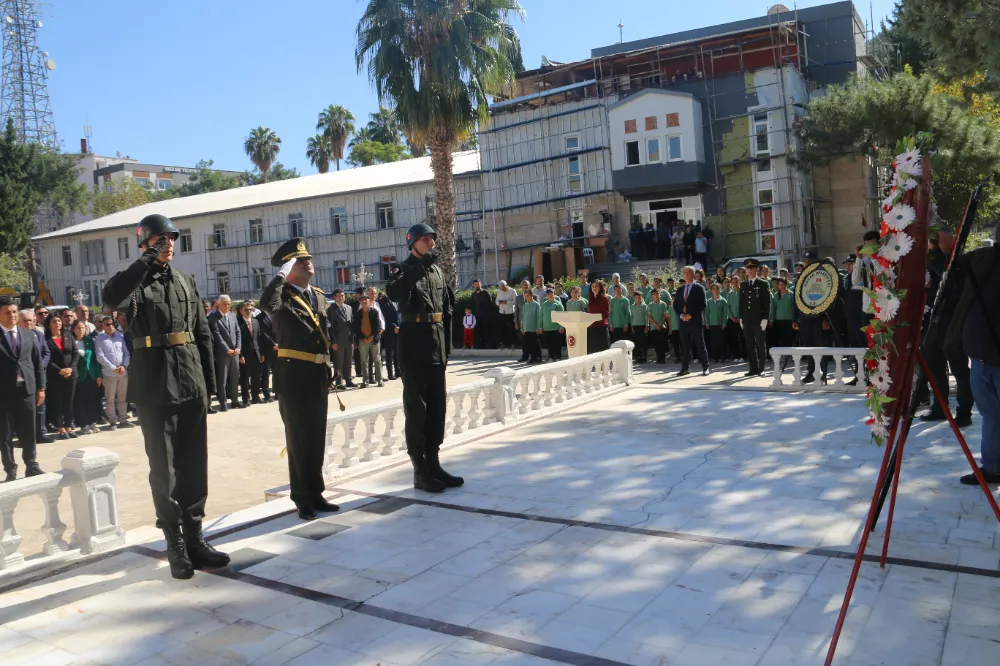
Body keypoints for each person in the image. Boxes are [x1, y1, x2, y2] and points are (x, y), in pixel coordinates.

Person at [103, 213, 229, 579]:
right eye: (161, 238)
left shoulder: (186, 281)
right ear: (145, 242)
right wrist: (146, 259)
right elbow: (110, 298)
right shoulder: (135, 283)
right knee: (164, 469)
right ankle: (173, 541)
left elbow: (202, 334)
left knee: (194, 465)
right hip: (154, 386)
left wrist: (210, 386)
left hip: (190, 382)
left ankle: (195, 537)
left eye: (171, 238)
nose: (169, 243)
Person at [260, 236, 340, 519]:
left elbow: (326, 334)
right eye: (300, 260)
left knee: (316, 438)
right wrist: (281, 275)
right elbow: (265, 303)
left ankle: (316, 492)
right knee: (298, 439)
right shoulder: (282, 296)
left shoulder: (317, 295)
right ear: (289, 267)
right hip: (293, 376)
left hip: (317, 374)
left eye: (307, 258)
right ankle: (302, 498)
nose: (309, 262)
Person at [386, 223, 462, 494]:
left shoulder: (437, 271)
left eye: (432, 237)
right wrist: (418, 267)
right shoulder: (402, 268)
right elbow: (395, 295)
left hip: (436, 347)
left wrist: (447, 347)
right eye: (426, 238)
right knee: (417, 412)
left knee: (437, 410)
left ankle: (434, 464)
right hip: (414, 348)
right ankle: (420, 471)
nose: (432, 241)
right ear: (413, 242)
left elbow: (447, 309)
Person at [944, 225, 1000, 484]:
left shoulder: (981, 259)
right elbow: (950, 265)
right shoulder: (982, 259)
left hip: (988, 357)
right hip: (979, 356)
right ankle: (992, 467)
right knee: (991, 416)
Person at [1, 296, 45, 481]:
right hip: (3, 392)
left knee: (29, 430)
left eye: (14, 312)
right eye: (7, 312)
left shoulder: (27, 333)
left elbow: (37, 362)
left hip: (27, 389)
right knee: (5, 432)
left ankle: (31, 464)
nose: (12, 315)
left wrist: (41, 387)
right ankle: (10, 468)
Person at [18, 309, 53, 444]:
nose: (28, 323)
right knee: (23, 410)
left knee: (40, 407)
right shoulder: (15, 337)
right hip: (22, 378)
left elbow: (46, 352)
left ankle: (41, 433)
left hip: (38, 376)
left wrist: (41, 365)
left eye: (31, 321)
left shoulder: (38, 335)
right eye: (25, 321)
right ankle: (24, 437)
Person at [45, 313, 78, 440]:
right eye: (54, 321)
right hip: (55, 375)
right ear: (49, 325)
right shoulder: (46, 340)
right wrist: (59, 370)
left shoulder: (68, 335)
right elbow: (47, 359)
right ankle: (60, 428)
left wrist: (71, 368)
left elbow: (75, 353)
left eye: (59, 321)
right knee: (57, 402)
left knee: (69, 402)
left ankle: (69, 426)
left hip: (71, 374)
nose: (57, 323)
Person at [95, 315, 131, 430]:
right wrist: (112, 368)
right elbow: (100, 356)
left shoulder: (120, 337)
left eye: (112, 324)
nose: (110, 326)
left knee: (123, 397)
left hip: (122, 372)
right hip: (109, 374)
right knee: (110, 399)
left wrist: (124, 366)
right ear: (103, 326)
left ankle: (123, 419)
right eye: (107, 324)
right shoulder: (99, 339)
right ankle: (113, 421)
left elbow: (126, 353)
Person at [672, 266, 710, 376]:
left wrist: (691, 315)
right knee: (685, 345)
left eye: (688, 273)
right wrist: (681, 315)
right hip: (683, 322)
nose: (686, 275)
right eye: (684, 273)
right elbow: (675, 305)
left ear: (693, 275)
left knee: (700, 344)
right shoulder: (680, 289)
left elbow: (702, 304)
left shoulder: (699, 288)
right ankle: (685, 368)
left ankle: (705, 367)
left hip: (695, 321)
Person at [208, 295, 242, 411]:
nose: (227, 306)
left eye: (229, 304)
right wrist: (227, 349)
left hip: (235, 353)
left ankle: (235, 400)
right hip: (223, 353)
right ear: (218, 304)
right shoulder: (214, 318)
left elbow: (238, 332)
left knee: (234, 377)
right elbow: (217, 335)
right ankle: (223, 402)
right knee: (222, 379)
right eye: (225, 304)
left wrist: (238, 347)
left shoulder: (232, 316)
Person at [740, 259, 771, 377]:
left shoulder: (763, 284)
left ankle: (761, 368)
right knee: (749, 343)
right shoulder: (743, 284)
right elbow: (741, 302)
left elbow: (767, 303)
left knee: (760, 343)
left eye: (752, 268)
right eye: (748, 269)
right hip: (747, 319)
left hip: (759, 319)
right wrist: (741, 317)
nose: (750, 271)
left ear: (756, 270)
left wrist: (765, 318)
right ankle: (753, 368)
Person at [71, 320, 102, 435]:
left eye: (83, 328)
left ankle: (92, 422)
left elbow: (95, 359)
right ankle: (84, 425)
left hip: (91, 374)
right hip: (79, 376)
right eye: (78, 328)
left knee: (92, 400)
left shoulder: (89, 341)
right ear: (73, 329)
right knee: (80, 401)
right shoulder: (71, 342)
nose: (81, 330)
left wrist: (99, 375)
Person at [353, 293, 384, 388]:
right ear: (360, 301)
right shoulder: (358, 313)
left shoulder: (374, 311)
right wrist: (363, 338)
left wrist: (372, 337)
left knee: (377, 360)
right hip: (363, 340)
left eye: (366, 299)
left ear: (369, 300)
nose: (364, 301)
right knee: (364, 361)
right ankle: (365, 381)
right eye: (362, 300)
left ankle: (380, 380)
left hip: (374, 339)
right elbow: (356, 328)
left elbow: (378, 326)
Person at [327, 289, 355, 389]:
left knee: (348, 361)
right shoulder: (331, 309)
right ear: (334, 297)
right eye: (339, 296)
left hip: (349, 339)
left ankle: (348, 380)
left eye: (342, 295)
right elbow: (330, 327)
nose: (341, 297)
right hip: (338, 340)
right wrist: (333, 341)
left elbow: (351, 323)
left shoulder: (349, 308)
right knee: (339, 362)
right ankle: (339, 382)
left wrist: (353, 338)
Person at [237, 300, 263, 405]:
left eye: (250, 309)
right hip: (244, 354)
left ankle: (255, 397)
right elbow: (237, 340)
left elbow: (259, 338)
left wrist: (262, 353)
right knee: (244, 377)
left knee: (256, 376)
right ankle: (245, 399)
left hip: (256, 353)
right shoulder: (238, 323)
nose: (249, 311)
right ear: (241, 311)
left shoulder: (255, 321)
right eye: (246, 310)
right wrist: (240, 355)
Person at [769, 277, 796, 372]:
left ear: (786, 284)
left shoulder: (791, 295)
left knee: (789, 338)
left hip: (789, 320)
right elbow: (773, 308)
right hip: (779, 319)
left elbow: (794, 308)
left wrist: (794, 319)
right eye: (779, 285)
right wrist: (772, 319)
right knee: (780, 338)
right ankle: (782, 355)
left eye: (782, 284)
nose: (781, 286)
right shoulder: (776, 295)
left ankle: (789, 355)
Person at [378, 291, 401, 380]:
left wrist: (399, 326)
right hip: (389, 330)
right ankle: (390, 373)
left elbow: (398, 315)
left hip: (398, 330)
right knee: (389, 353)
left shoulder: (396, 301)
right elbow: (383, 318)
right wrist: (394, 327)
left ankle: (398, 371)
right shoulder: (382, 302)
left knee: (397, 352)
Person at [256, 309, 278, 401]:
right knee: (266, 372)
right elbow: (262, 333)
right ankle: (266, 393)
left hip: (278, 348)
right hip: (267, 349)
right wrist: (273, 344)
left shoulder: (276, 315)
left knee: (277, 371)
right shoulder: (259, 318)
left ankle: (277, 392)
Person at [706, 284, 729, 363]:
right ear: (711, 290)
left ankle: (723, 356)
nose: (715, 290)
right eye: (714, 289)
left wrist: (724, 323)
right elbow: (707, 313)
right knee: (713, 341)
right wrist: (707, 323)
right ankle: (715, 357)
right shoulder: (709, 301)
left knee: (722, 341)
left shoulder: (723, 301)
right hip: (712, 324)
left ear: (720, 290)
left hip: (721, 324)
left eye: (717, 289)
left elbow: (725, 313)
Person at [586, 280, 611, 353]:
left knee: (602, 352)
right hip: (591, 327)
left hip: (601, 328)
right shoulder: (591, 298)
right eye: (593, 286)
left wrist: (596, 318)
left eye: (596, 286)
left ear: (600, 287)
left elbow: (606, 314)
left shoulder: (604, 298)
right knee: (593, 352)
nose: (594, 288)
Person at [541, 288, 565, 361]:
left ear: (554, 294)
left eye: (552, 294)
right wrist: (540, 327)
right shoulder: (544, 304)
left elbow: (562, 316)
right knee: (549, 344)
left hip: (556, 328)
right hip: (546, 327)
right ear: (546, 295)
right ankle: (551, 356)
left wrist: (561, 327)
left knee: (556, 343)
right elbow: (541, 316)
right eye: (549, 294)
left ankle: (558, 356)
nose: (550, 295)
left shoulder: (558, 304)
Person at [470, 279, 495, 349]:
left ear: (480, 284)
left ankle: (489, 345)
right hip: (477, 316)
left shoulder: (485, 292)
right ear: (473, 285)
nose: (477, 286)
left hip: (486, 315)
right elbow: (473, 304)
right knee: (479, 331)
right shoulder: (473, 294)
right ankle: (480, 345)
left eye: (478, 284)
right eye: (475, 285)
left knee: (487, 330)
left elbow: (490, 303)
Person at [519, 289, 542, 363]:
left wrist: (538, 327)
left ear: (532, 295)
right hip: (526, 328)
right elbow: (523, 317)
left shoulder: (536, 305)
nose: (527, 297)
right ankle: (532, 358)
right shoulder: (525, 305)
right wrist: (522, 328)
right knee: (528, 344)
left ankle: (538, 357)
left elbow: (539, 317)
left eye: (528, 295)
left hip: (534, 328)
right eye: (526, 296)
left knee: (535, 344)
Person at [647, 289, 669, 364]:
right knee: (656, 344)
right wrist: (655, 324)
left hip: (662, 327)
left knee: (662, 343)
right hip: (654, 327)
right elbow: (649, 316)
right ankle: (658, 358)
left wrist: (660, 324)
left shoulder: (663, 304)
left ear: (660, 294)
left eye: (657, 294)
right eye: (654, 294)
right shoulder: (650, 305)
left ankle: (662, 358)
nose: (656, 295)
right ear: (652, 296)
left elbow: (665, 315)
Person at [495, 281, 517, 349]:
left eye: (503, 287)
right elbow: (496, 302)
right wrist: (499, 303)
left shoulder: (512, 291)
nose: (502, 289)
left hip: (510, 313)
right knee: (502, 329)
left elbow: (515, 301)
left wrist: (507, 302)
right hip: (502, 313)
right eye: (501, 288)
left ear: (506, 285)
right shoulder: (499, 291)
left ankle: (513, 343)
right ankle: (503, 344)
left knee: (511, 329)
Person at [514, 279, 531, 362]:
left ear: (530, 286)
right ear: (521, 287)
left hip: (532, 322)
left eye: (527, 285)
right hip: (522, 322)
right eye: (524, 285)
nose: (525, 286)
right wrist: (516, 322)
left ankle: (534, 356)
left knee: (532, 340)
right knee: (524, 341)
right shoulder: (518, 298)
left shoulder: (535, 297)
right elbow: (516, 311)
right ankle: (525, 356)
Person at [629, 291, 649, 363]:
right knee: (637, 342)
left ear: (642, 297)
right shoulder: (632, 306)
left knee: (643, 342)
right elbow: (632, 317)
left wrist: (647, 325)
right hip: (635, 326)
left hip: (643, 326)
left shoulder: (645, 306)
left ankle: (644, 357)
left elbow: (647, 317)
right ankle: (639, 357)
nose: (638, 299)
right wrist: (632, 326)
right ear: (634, 298)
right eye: (636, 297)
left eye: (639, 297)